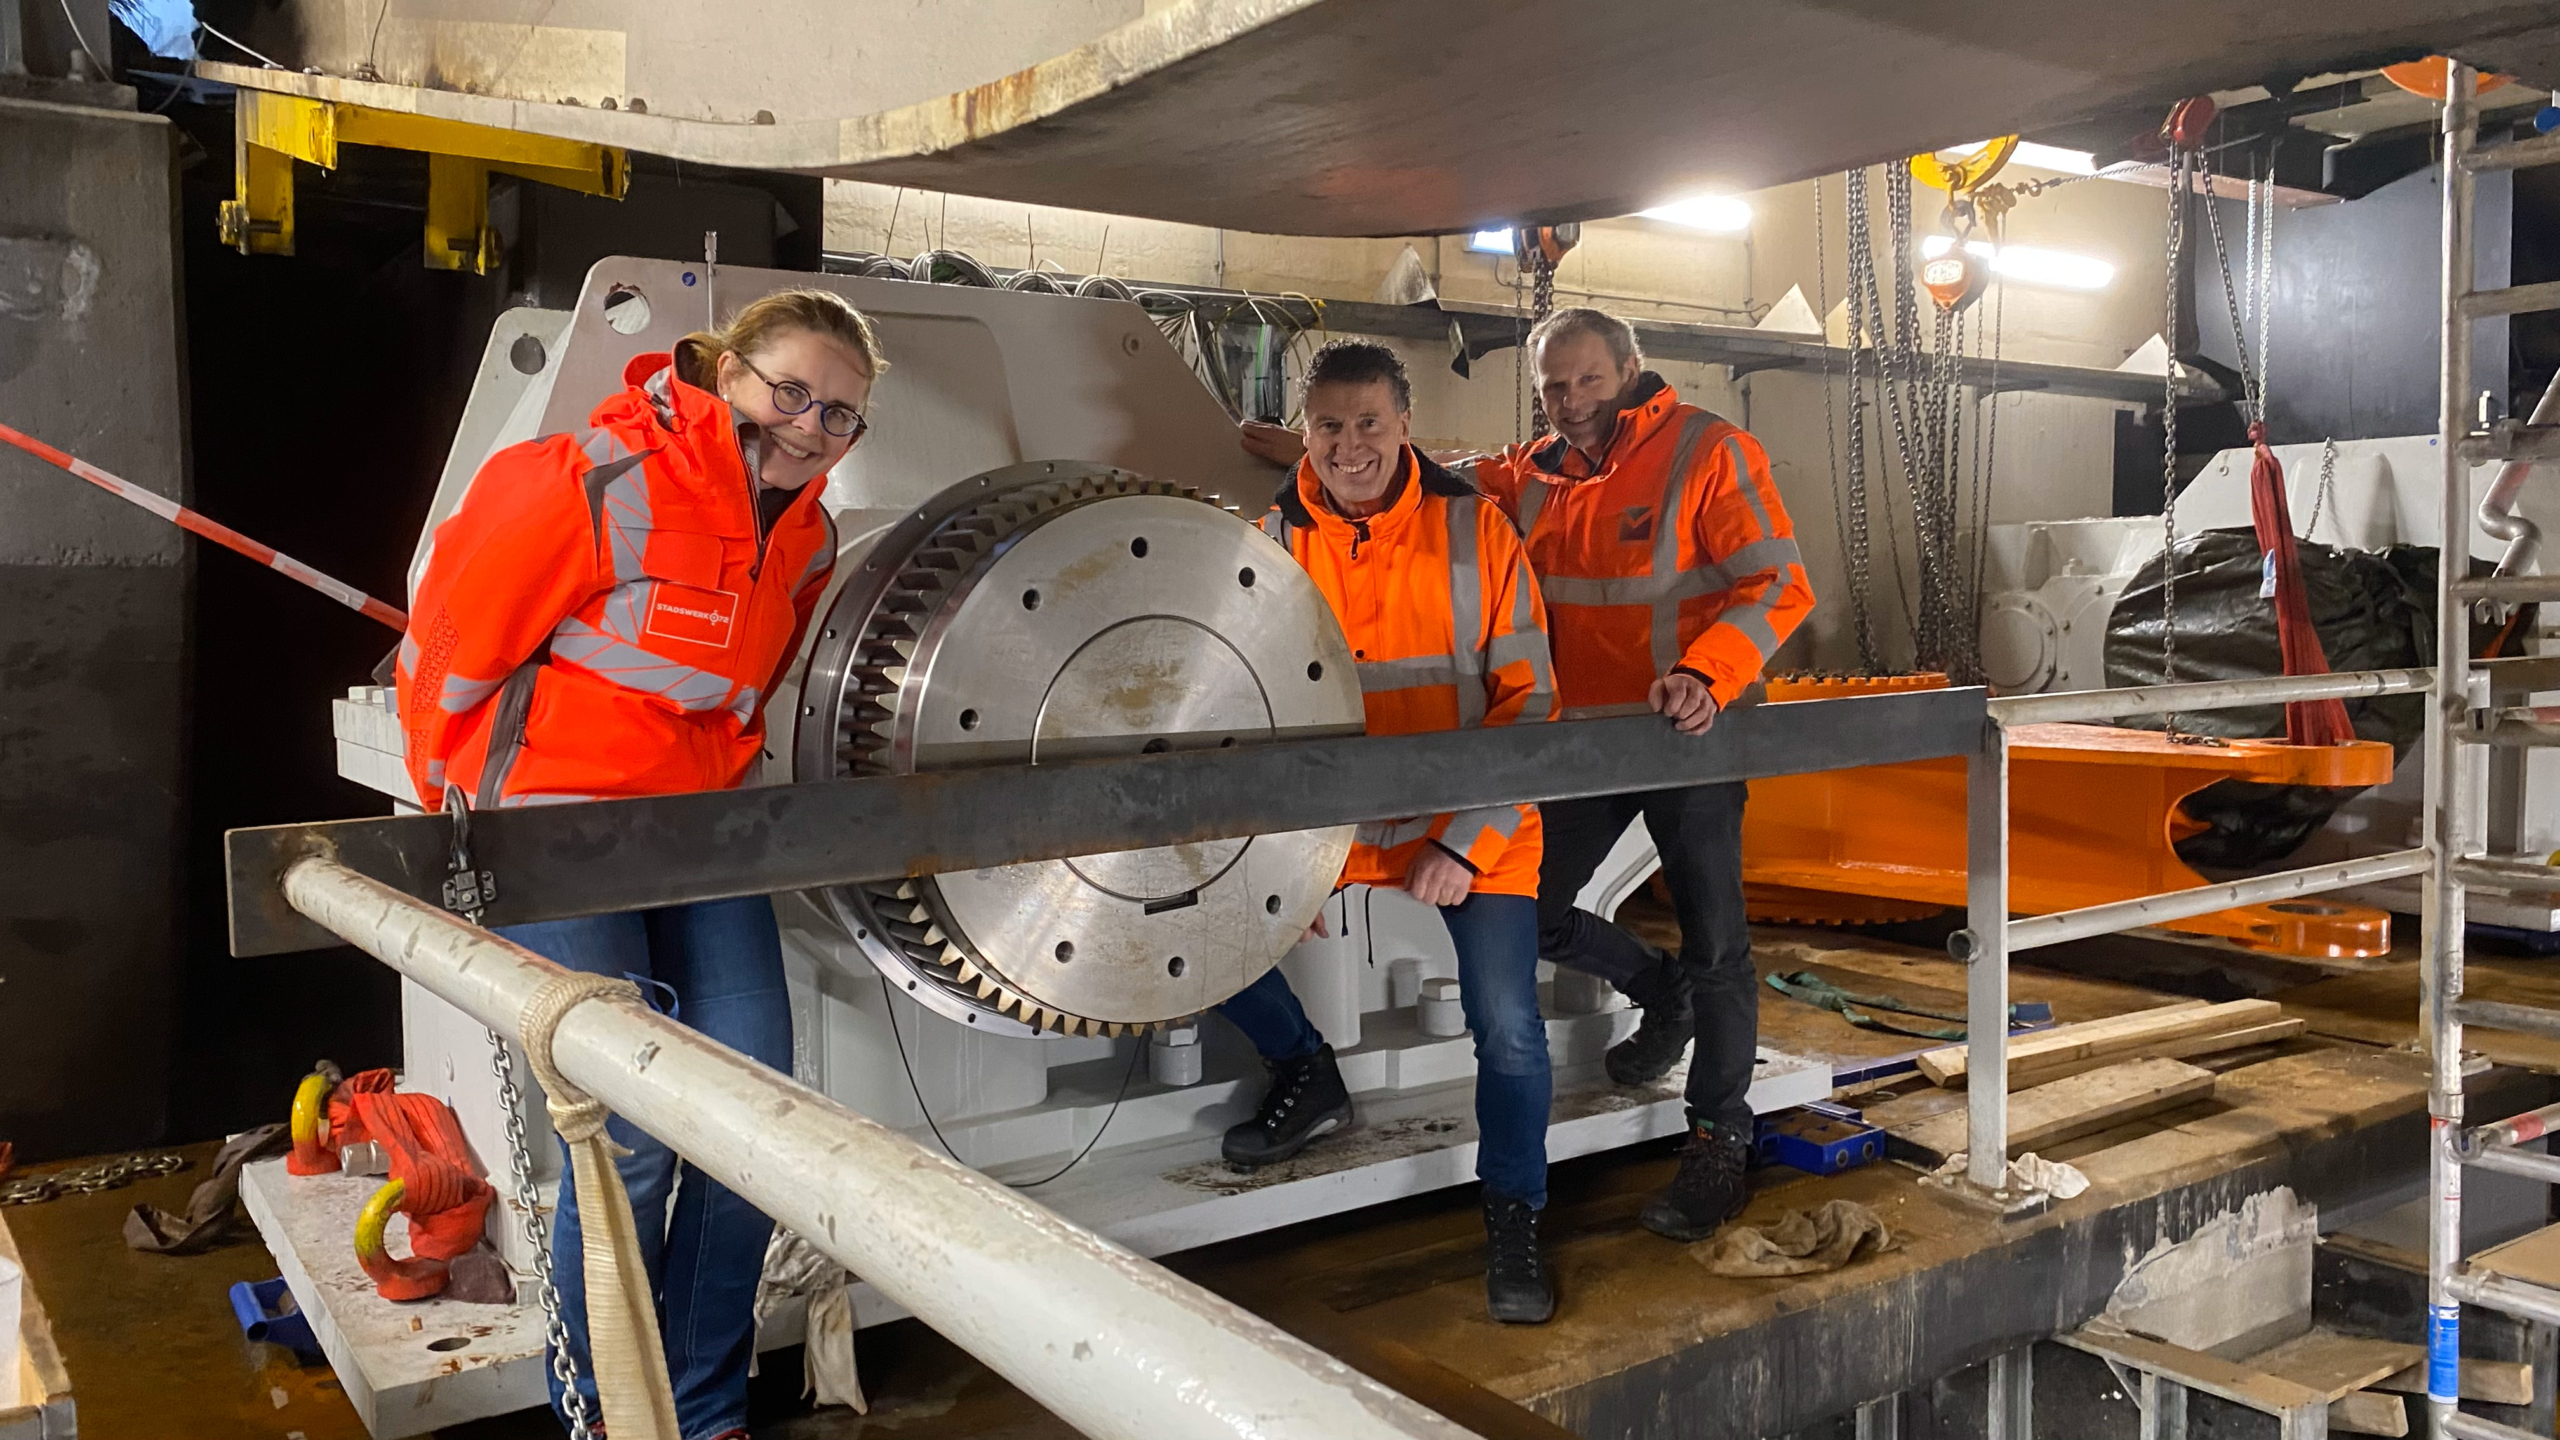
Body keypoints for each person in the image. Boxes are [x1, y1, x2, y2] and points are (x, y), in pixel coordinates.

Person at [397, 288, 887, 1438]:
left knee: (747, 1119)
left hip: (698, 834)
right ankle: (614, 1418)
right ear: (727, 373)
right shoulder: (588, 478)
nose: (812, 424)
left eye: (842, 414)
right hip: (560, 836)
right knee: (626, 1147)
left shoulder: (807, 534)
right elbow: (449, 650)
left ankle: (705, 1412)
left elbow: (746, 691)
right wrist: (464, 817)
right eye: (793, 391)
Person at [1238, 307, 1815, 1242]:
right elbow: (1430, 473)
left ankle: (1717, 1138)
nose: (1572, 401)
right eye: (1554, 386)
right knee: (1538, 908)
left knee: (1719, 945)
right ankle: (1653, 988)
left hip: (1690, 730)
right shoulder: (1533, 473)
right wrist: (1310, 444)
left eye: (1589, 380)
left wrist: (1710, 674)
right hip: (1576, 740)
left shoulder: (1710, 453)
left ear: (1633, 367)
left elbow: (1782, 582)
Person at [1217, 339, 1563, 1323]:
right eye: (1328, 426)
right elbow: (1249, 708)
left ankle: (1515, 1210)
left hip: (1473, 824)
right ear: (1304, 433)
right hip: (1335, 828)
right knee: (1194, 936)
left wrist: (1464, 841)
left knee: (1507, 1029)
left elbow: (1529, 704)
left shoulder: (1477, 531)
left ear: (1405, 425)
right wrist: (1295, 854)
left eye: (1369, 423)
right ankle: (1304, 1067)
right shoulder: (1269, 542)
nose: (1349, 445)